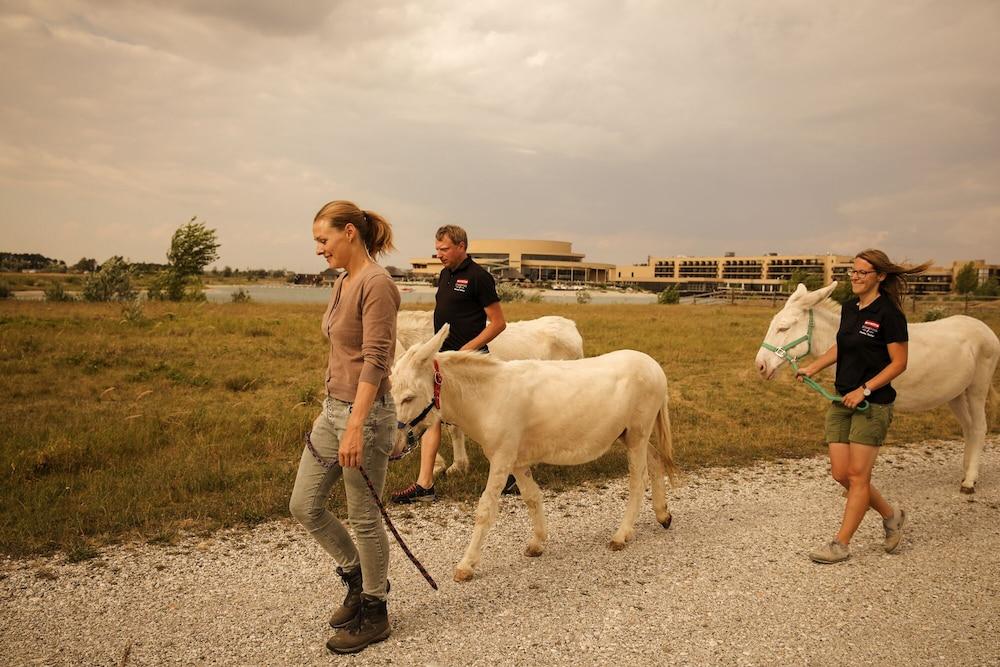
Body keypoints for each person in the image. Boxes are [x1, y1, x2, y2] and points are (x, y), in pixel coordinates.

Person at [289, 200, 400, 654]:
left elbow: (376, 360)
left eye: (324, 239)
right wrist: (335, 413)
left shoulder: (377, 283)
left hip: (366, 416)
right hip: (332, 410)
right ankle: (358, 578)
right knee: (304, 504)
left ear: (350, 232)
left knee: (364, 517)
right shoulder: (343, 281)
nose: (319, 249)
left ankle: (375, 612)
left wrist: (355, 426)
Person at [796, 249, 929, 564]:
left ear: (880, 277)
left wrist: (865, 389)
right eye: (852, 272)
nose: (854, 277)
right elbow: (843, 344)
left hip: (873, 404)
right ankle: (891, 515)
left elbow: (900, 363)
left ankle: (840, 544)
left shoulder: (889, 314)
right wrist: (813, 367)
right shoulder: (850, 308)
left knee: (858, 475)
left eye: (862, 272)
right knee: (841, 473)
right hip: (842, 400)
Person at [391, 224, 508, 503]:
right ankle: (425, 485)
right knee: (431, 416)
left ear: (461, 247)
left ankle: (511, 475)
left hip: (471, 363)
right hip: (443, 362)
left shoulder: (479, 277)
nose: (439, 254)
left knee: (485, 424)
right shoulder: (444, 275)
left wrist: (468, 350)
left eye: (444, 249)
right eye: (437, 249)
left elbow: (499, 323)